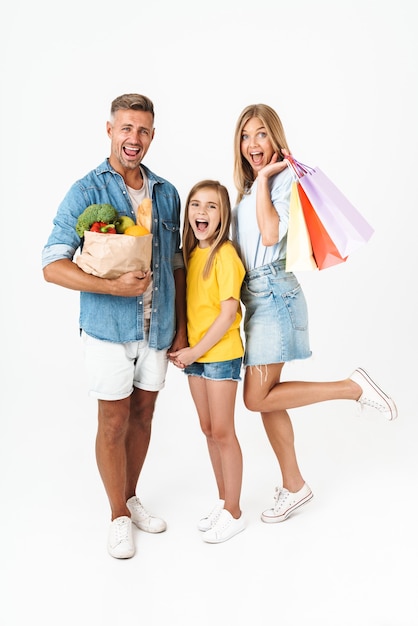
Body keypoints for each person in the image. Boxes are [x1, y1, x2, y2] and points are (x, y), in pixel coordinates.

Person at [230, 103, 398, 524]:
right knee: (267, 402)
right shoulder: (249, 190)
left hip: (275, 296)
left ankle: (351, 387)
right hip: (255, 299)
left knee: (255, 397)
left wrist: (267, 178)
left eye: (262, 134)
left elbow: (270, 235)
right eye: (246, 136)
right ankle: (294, 486)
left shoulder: (281, 180)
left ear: (276, 137)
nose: (253, 144)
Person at [42, 93, 187, 559]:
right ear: (110, 130)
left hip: (158, 327)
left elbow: (177, 264)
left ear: (152, 136)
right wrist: (112, 288)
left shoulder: (166, 192)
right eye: (126, 128)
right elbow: (51, 264)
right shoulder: (86, 191)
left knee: (144, 418)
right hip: (107, 327)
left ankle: (128, 496)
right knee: (113, 422)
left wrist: (180, 329)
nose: (134, 139)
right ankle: (117, 516)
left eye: (143, 130)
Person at [169, 180, 246, 543]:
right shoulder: (189, 254)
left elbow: (228, 314)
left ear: (223, 215)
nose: (202, 212)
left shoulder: (225, 255)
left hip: (220, 356)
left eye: (212, 206)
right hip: (196, 357)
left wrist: (194, 352)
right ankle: (223, 499)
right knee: (208, 429)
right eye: (196, 205)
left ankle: (235, 511)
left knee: (224, 431)